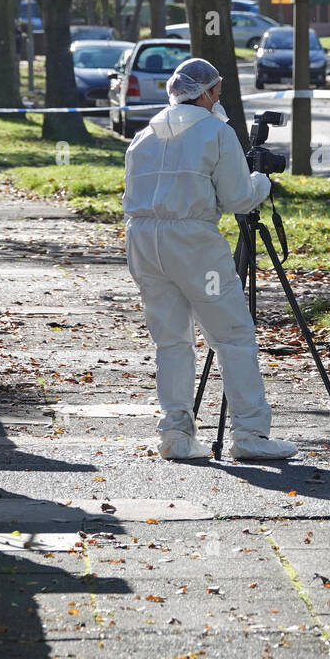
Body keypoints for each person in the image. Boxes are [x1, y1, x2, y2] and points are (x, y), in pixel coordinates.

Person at [122, 57, 297, 462]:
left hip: (143, 241)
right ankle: (250, 434)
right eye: (217, 90)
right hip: (192, 244)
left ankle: (176, 436)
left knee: (171, 341)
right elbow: (238, 198)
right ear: (206, 93)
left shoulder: (144, 134)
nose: (219, 98)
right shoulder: (216, 132)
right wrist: (261, 182)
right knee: (233, 336)